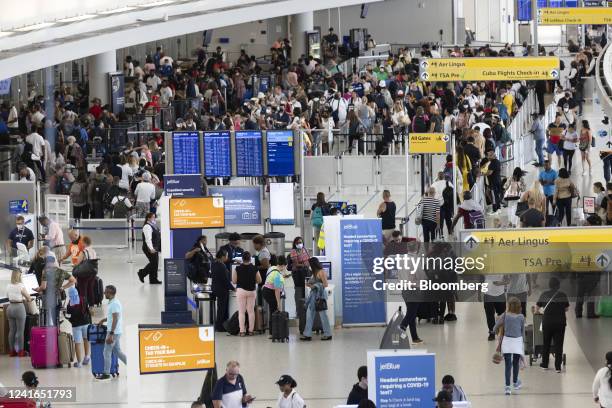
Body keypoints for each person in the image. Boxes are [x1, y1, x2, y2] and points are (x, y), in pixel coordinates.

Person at [534, 277, 570, 373]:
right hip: (560, 323)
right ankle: (558, 366)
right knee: (559, 344)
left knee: (546, 343)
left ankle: (545, 364)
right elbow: (567, 309)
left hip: (547, 322)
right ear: (558, 286)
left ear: (549, 285)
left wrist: (540, 312)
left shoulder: (544, 294)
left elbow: (536, 308)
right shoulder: (562, 294)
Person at [492, 297, 525, 395]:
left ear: (508, 306)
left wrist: (495, 331)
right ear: (519, 306)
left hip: (507, 341)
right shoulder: (521, 317)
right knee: (516, 363)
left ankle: (507, 387)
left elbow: (495, 327)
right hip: (517, 341)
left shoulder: (505, 315)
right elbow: (522, 331)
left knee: (508, 365)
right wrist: (523, 343)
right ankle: (515, 382)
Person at [95, 285, 127, 381]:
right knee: (117, 352)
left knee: (106, 352)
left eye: (106, 292)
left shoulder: (114, 304)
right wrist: (103, 320)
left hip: (114, 332)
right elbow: (112, 317)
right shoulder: (112, 302)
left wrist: (111, 334)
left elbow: (116, 318)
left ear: (110, 293)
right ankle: (133, 366)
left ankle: (106, 373)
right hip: (115, 331)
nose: (104, 293)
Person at [35, 256, 76, 327]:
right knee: (56, 317)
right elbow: (73, 280)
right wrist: (63, 287)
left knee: (46, 316)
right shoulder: (62, 271)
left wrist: (37, 289)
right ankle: (57, 332)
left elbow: (43, 287)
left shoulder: (46, 272)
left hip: (48, 297)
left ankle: (46, 332)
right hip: (58, 297)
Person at [300, 257, 332, 341]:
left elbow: (325, 284)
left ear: (313, 265)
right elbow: (310, 283)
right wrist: (310, 285)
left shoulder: (321, 272)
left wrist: (315, 285)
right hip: (313, 296)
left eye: (310, 264)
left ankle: (328, 334)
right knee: (310, 315)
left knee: (323, 315)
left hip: (320, 295)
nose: (309, 266)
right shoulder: (314, 273)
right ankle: (307, 335)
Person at [232, 251, 261, 336]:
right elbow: (259, 280)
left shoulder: (237, 268)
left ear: (242, 259)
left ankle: (242, 331)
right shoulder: (255, 268)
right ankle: (251, 331)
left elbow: (234, 281)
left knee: (241, 312)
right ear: (250, 259)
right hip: (251, 291)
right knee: (251, 311)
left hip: (241, 291)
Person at [6, 269, 33, 357]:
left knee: (12, 330)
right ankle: (21, 352)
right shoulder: (21, 285)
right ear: (19, 276)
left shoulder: (8, 285)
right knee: (20, 331)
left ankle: (12, 351)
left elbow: (8, 296)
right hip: (19, 308)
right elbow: (28, 297)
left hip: (10, 308)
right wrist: (28, 299)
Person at [66, 286, 91, 368]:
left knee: (77, 342)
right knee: (86, 339)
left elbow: (68, 315)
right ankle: (87, 357)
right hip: (86, 323)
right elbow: (87, 310)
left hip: (76, 325)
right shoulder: (83, 299)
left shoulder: (70, 304)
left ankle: (79, 362)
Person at [211, 249, 234, 332]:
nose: (227, 257)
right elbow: (225, 280)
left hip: (215, 288)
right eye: (226, 256)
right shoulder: (221, 266)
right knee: (222, 308)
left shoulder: (213, 264)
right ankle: (220, 326)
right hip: (222, 289)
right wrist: (233, 288)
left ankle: (219, 325)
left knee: (220, 307)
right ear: (223, 256)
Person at [138, 213, 162, 284]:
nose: (154, 218)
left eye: (155, 217)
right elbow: (148, 239)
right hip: (149, 248)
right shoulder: (147, 226)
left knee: (155, 263)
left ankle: (153, 279)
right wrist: (151, 248)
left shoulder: (154, 226)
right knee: (154, 263)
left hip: (155, 247)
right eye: (153, 217)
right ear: (148, 218)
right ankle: (142, 273)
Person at [483, 274, 507, 341]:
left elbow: (508, 280)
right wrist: (479, 293)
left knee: (502, 315)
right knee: (489, 315)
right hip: (487, 294)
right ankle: (492, 333)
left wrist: (501, 283)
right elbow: (481, 279)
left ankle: (502, 332)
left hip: (500, 294)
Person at [486, 149, 502, 214]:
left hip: (494, 181)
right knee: (496, 195)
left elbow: (489, 173)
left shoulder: (493, 162)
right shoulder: (497, 161)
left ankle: (495, 209)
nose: (488, 157)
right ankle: (498, 208)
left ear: (493, 156)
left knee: (494, 196)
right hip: (497, 180)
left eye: (489, 156)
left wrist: (483, 174)